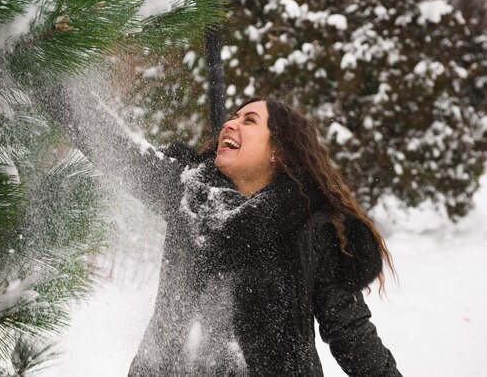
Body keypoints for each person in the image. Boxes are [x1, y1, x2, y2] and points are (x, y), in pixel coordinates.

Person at [42, 77, 402, 376]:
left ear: (278, 151)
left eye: (250, 121)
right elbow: (110, 144)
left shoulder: (313, 228)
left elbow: (351, 334)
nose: (231, 124)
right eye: (233, 117)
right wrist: (44, 70)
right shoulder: (188, 195)